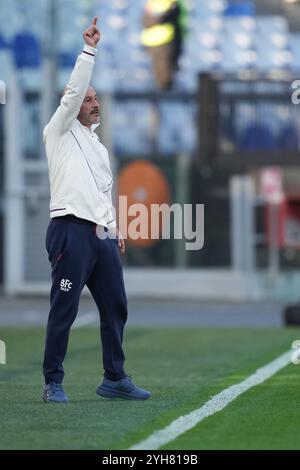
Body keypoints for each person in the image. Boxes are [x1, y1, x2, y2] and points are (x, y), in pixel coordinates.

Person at [42, 17, 151, 403]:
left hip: (99, 234)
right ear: (70, 105)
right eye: (87, 99)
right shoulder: (58, 129)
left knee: (116, 306)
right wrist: (89, 50)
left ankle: (114, 378)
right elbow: (72, 91)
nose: (93, 103)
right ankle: (52, 381)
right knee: (65, 308)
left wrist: (113, 227)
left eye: (95, 98)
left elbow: (102, 194)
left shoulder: (98, 148)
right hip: (70, 231)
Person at [141, 0, 186, 90]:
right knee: (163, 77)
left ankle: (163, 92)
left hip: (158, 43)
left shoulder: (152, 3)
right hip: (164, 43)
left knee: (162, 75)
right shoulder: (170, 4)